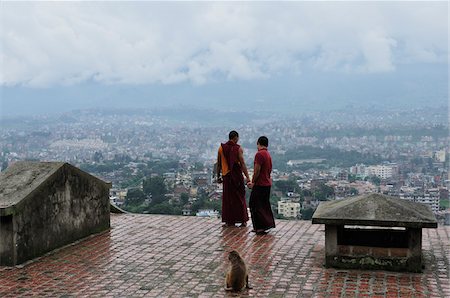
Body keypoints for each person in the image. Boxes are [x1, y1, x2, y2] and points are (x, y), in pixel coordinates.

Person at [216, 131, 251, 227]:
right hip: (237, 176)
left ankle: (229, 221)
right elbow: (242, 164)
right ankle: (243, 220)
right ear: (236, 138)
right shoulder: (238, 149)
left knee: (228, 199)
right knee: (239, 198)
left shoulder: (221, 148)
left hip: (226, 175)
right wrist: (247, 177)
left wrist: (218, 176)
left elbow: (218, 164)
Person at [247, 136, 275, 234]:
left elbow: (257, 170)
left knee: (254, 204)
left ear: (258, 143)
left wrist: (253, 182)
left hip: (260, 184)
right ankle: (266, 225)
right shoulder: (267, 154)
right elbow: (269, 169)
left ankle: (259, 227)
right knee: (264, 205)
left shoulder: (259, 155)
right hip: (267, 183)